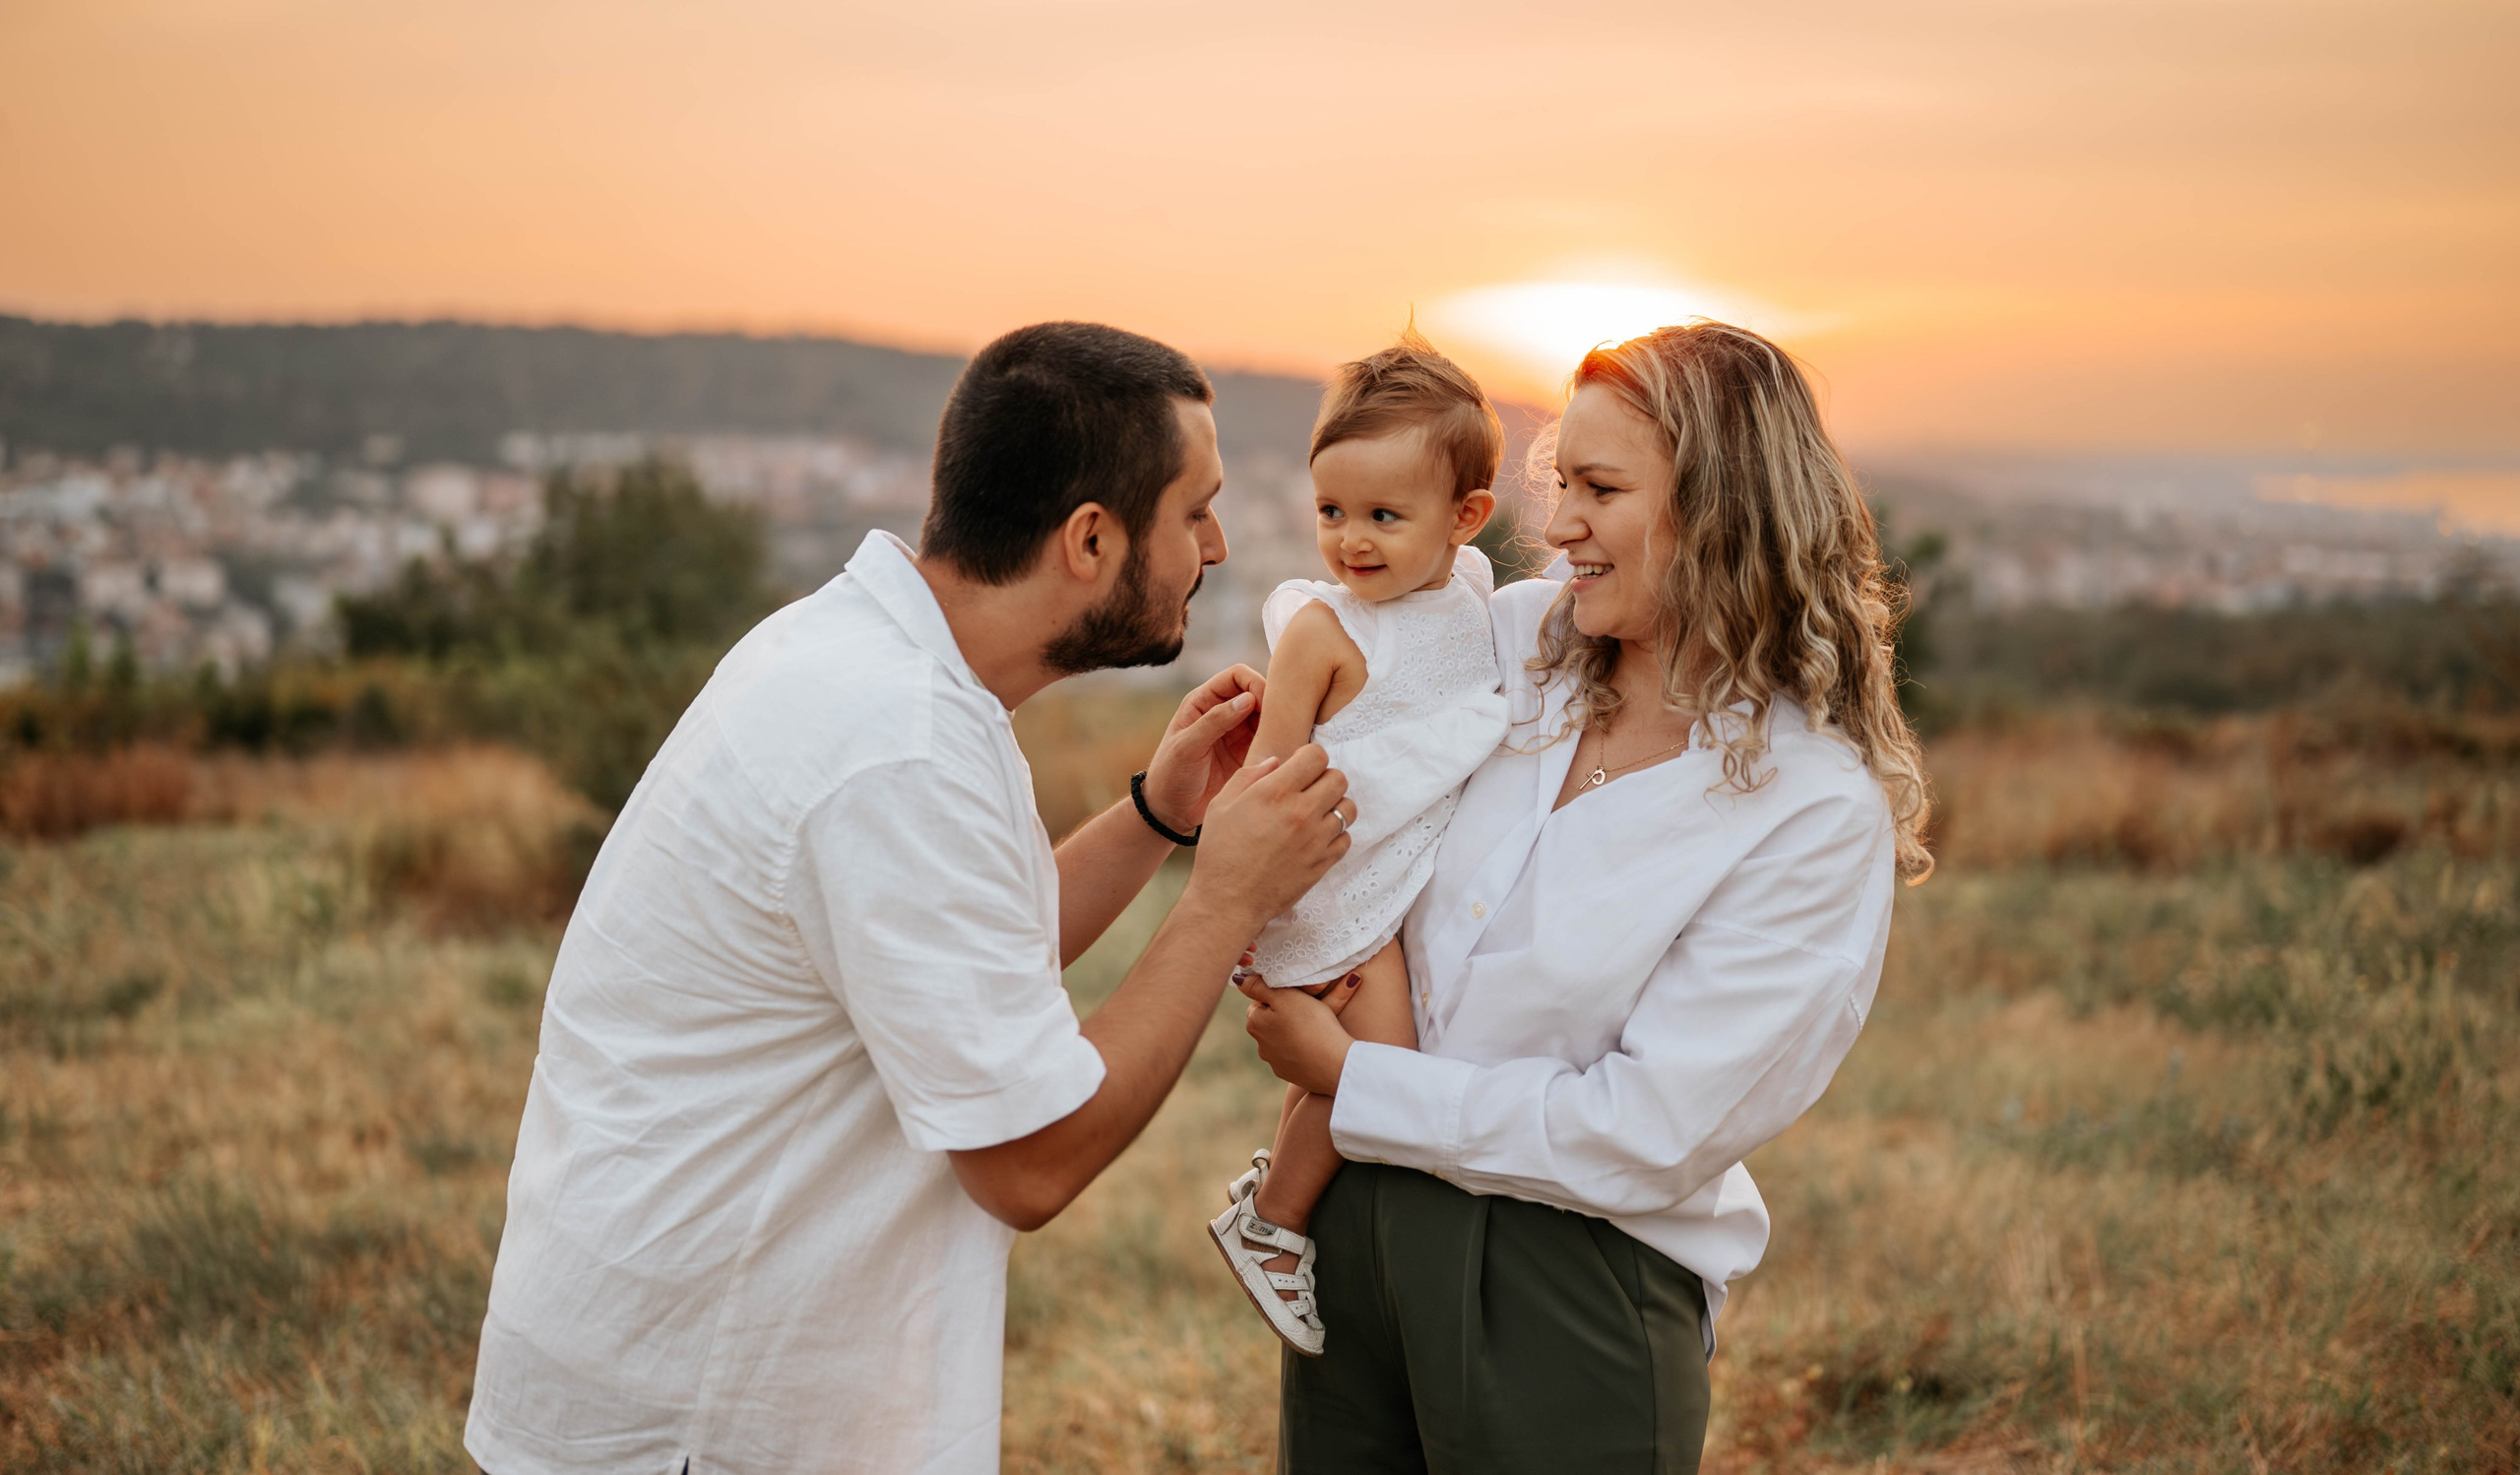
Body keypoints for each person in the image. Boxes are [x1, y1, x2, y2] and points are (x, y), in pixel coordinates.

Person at [465, 322, 1355, 1475]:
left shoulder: (870, 662)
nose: (1218, 545)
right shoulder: (902, 747)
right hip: (703, 1423)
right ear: (1091, 537)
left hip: (666, 1384)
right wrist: (1224, 896)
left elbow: (964, 963)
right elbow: (1029, 1160)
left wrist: (1159, 817)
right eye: (1194, 511)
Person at [1240, 320, 1934, 1475]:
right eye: (1561, 483)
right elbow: (1332, 700)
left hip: (1568, 1277)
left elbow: (1643, 1134)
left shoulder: (1810, 807)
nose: (1554, 526)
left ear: (1722, 509)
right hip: (1355, 1228)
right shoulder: (1501, 647)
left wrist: (1355, 1079)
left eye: (1599, 490)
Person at [1205, 336, 1511, 1356]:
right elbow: (1269, 776)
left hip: (1402, 875)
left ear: (1466, 519)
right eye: (1332, 512)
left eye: (1386, 516)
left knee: (1343, 1068)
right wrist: (1246, 908)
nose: (1351, 541)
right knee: (1375, 1061)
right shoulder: (1323, 632)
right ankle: (1274, 1226)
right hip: (1331, 880)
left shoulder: (1470, 597)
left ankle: (1271, 1195)